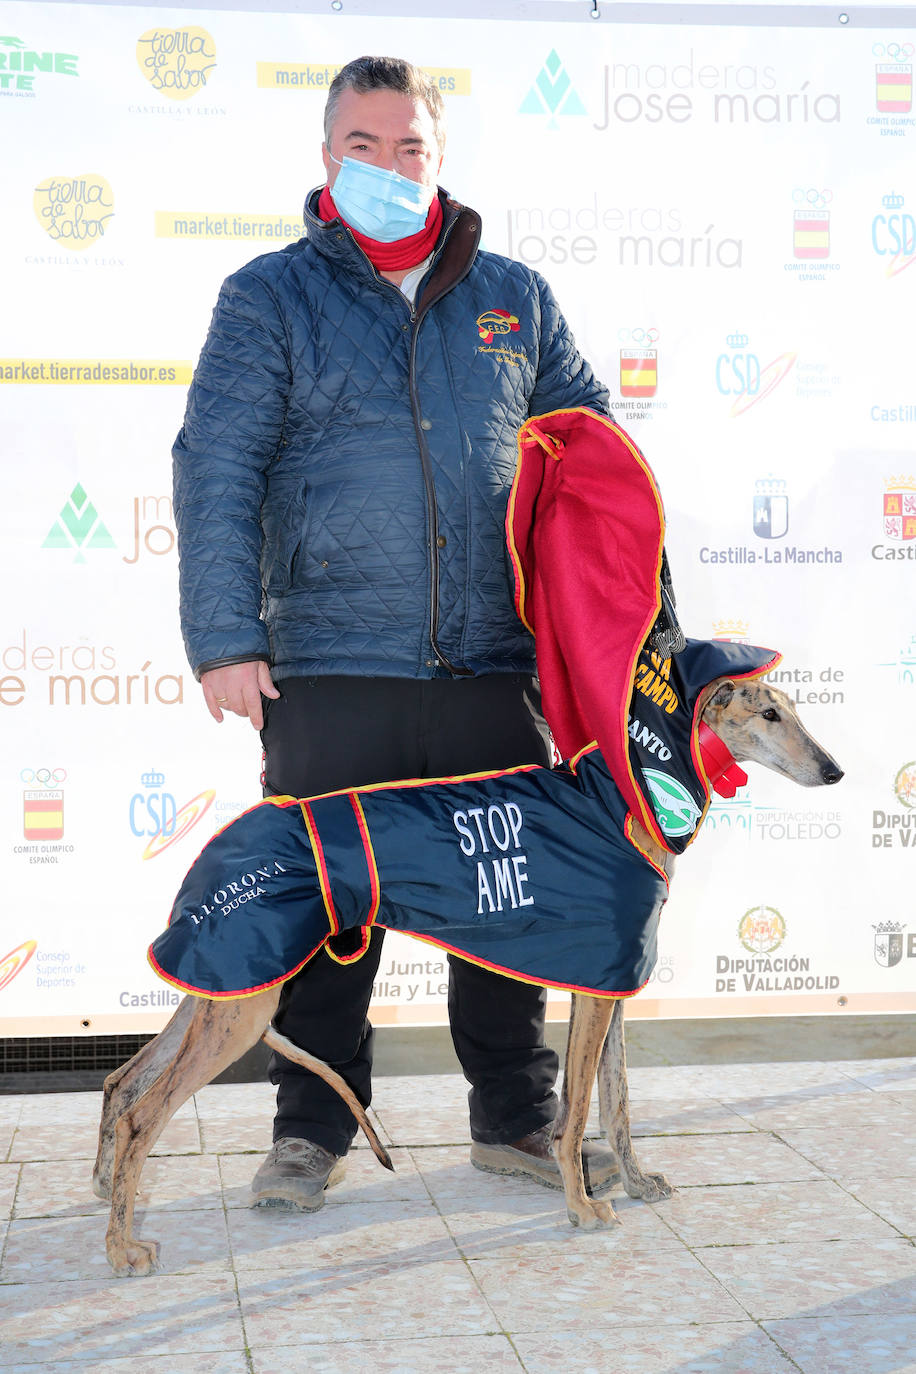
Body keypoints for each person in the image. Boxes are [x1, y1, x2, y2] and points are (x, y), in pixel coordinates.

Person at [172, 54, 619, 1212]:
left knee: (504, 895)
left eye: (408, 145)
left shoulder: (514, 297)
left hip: (494, 665)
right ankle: (309, 1126)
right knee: (330, 907)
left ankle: (515, 1117)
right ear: (327, 157)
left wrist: (609, 639)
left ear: (439, 154)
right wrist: (225, 637)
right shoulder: (268, 296)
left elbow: (592, 458)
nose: (387, 164)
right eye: (362, 145)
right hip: (330, 664)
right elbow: (216, 467)